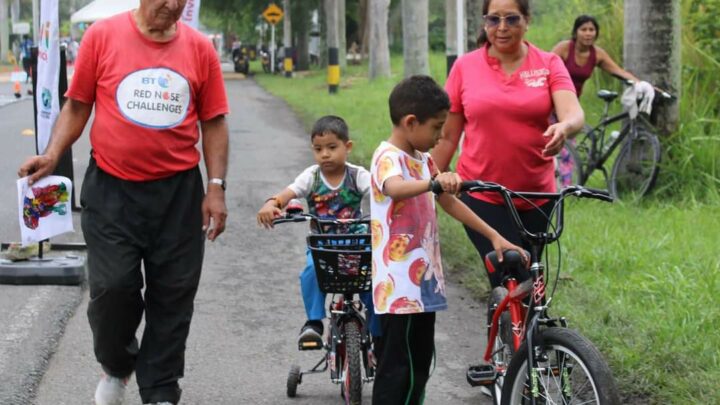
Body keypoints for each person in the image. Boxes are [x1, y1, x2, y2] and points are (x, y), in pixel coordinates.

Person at [17, 1, 229, 404]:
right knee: (114, 288)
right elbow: (78, 104)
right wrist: (52, 153)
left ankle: (161, 389)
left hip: (179, 194)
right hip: (112, 190)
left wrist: (215, 186)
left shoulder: (201, 49)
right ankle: (117, 364)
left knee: (174, 294)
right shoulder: (103, 35)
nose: (173, 5)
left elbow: (214, 120)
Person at [370, 75, 526, 404]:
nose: (441, 136)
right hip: (399, 290)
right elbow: (395, 188)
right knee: (397, 369)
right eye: (437, 127)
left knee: (420, 365)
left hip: (422, 286)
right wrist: (433, 184)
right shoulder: (388, 157)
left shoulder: (424, 160)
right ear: (410, 122)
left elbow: (450, 201)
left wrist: (494, 235)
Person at [432, 0, 584, 289]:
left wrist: (564, 127)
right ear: (484, 23)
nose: (502, 28)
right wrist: (428, 183)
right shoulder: (465, 66)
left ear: (527, 20)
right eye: (493, 20)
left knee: (533, 283)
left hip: (536, 196)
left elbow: (573, 113)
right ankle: (505, 332)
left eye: (512, 19)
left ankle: (528, 335)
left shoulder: (548, 63)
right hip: (482, 195)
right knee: (512, 274)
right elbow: (449, 135)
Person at [257, 115, 379, 347]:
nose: (325, 154)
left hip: (357, 245)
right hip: (323, 247)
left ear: (348, 147)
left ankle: (379, 331)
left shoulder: (357, 175)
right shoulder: (311, 177)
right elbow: (289, 193)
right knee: (311, 272)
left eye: (332, 147)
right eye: (318, 149)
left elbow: (382, 193)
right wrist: (272, 203)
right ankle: (314, 322)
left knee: (374, 280)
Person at [551, 15, 640, 98]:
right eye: (583, 30)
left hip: (573, 100)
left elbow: (619, 72)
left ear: (596, 33)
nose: (588, 33)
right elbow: (545, 68)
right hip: (552, 96)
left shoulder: (598, 54)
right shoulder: (564, 48)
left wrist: (643, 85)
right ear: (575, 32)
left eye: (591, 30)